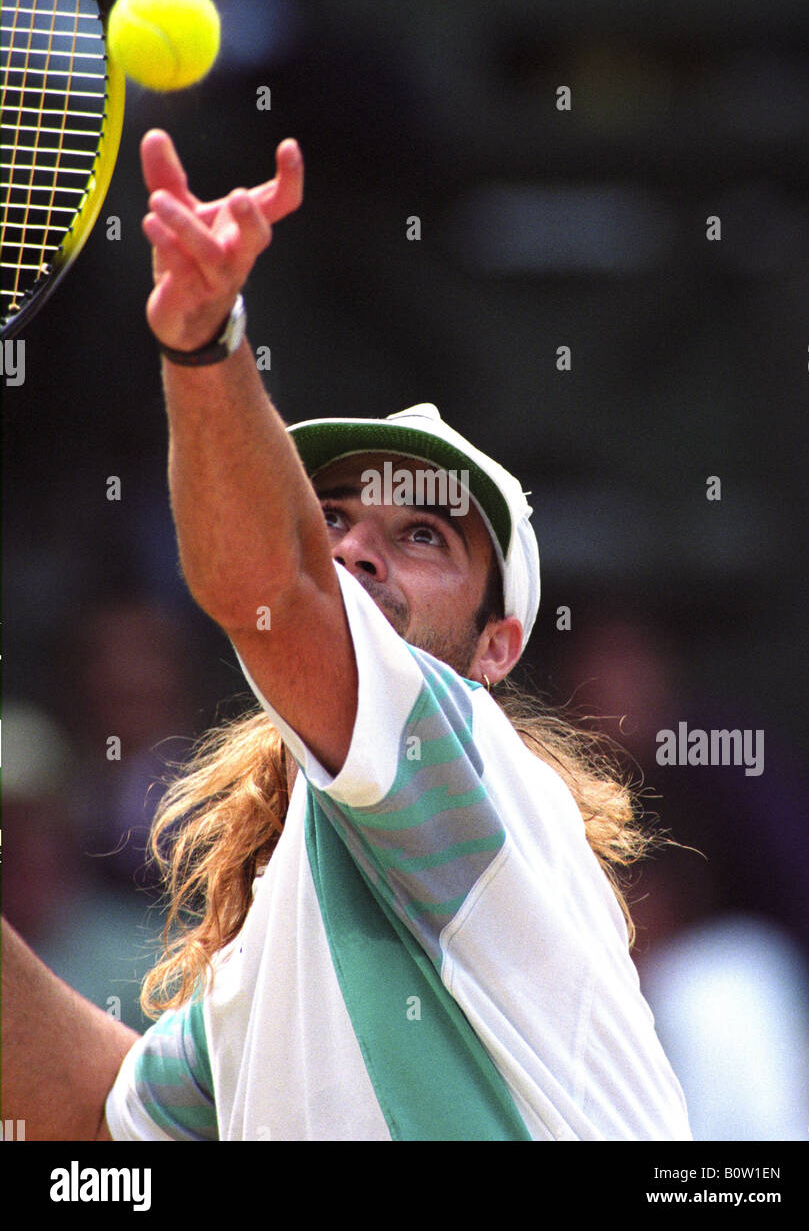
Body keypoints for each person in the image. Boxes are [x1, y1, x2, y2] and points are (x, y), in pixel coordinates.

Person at [1, 131, 691, 1142]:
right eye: (333, 521)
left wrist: (204, 341)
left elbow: (267, 586)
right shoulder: (276, 962)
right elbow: (94, 1118)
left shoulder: (473, 770)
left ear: (496, 649)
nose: (358, 551)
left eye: (421, 534)